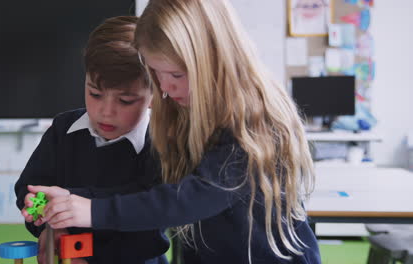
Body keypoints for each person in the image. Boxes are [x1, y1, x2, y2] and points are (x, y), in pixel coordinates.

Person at [28, 0, 321, 263]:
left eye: (176, 75)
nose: (164, 89)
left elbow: (190, 199)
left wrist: (90, 210)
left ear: (211, 58)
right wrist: (64, 206)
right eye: (156, 74)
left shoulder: (251, 119)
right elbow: (155, 192)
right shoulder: (187, 110)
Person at [14, 16, 169, 264]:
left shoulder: (160, 142)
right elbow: (31, 186)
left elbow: (146, 212)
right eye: (95, 93)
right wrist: (43, 224)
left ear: (156, 95)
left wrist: (70, 204)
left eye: (125, 100)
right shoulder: (64, 129)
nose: (105, 112)